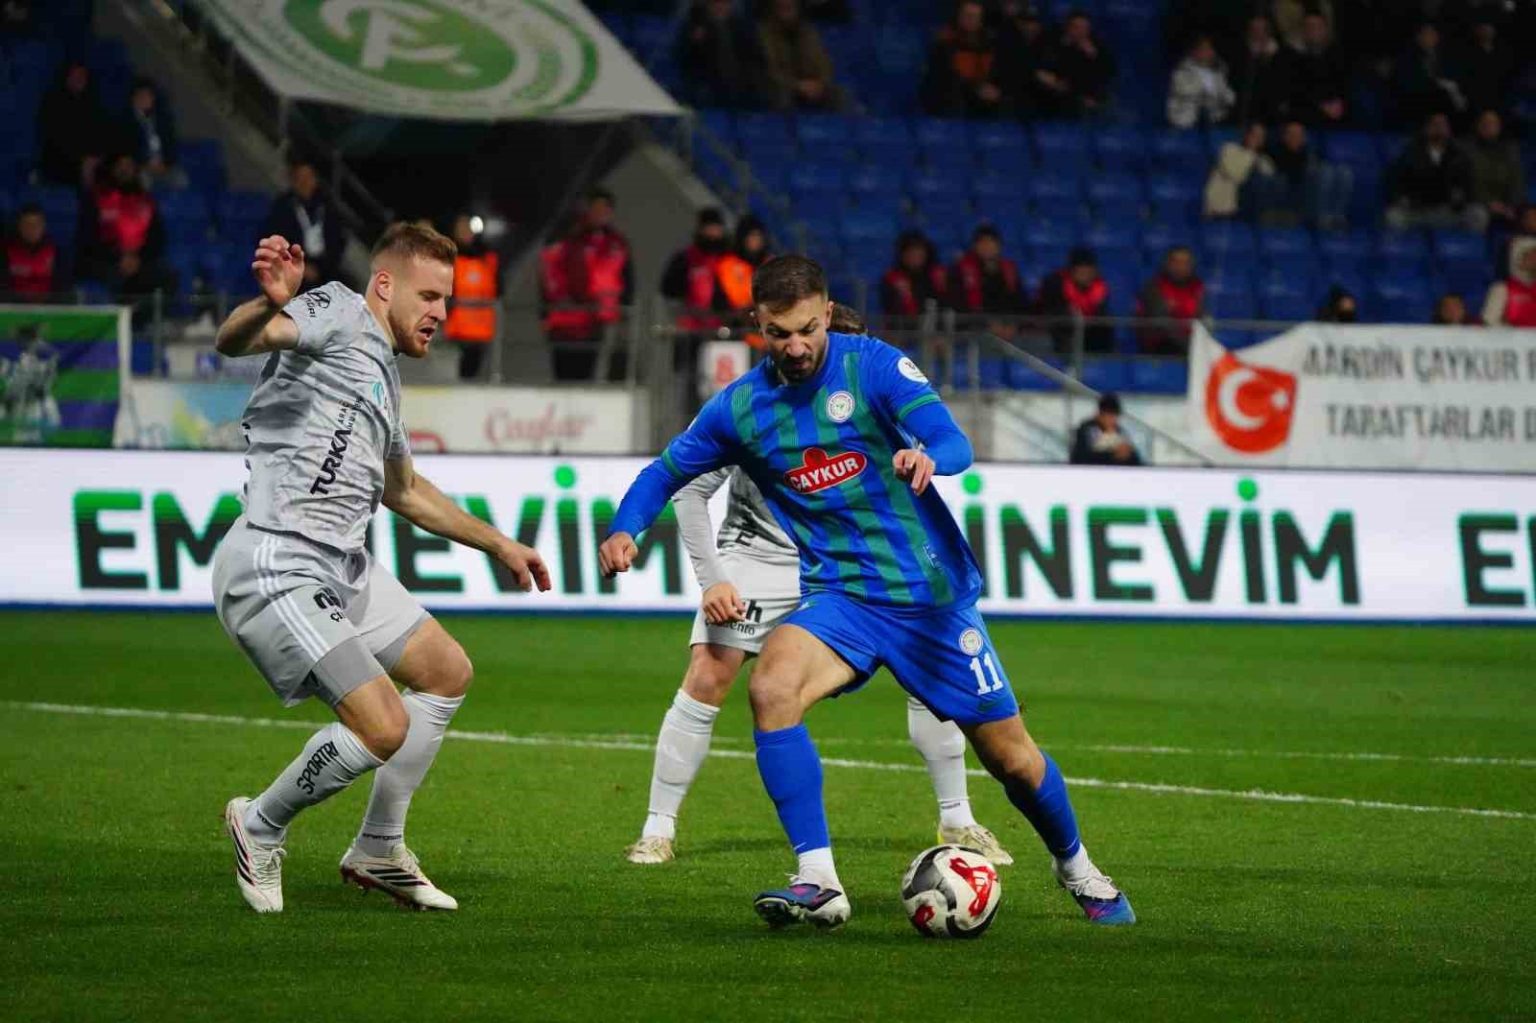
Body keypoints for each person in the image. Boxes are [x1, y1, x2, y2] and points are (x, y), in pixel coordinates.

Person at [599, 255, 1134, 931]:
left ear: (827, 314)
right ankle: (818, 879)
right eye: (778, 333)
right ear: (758, 324)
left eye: (807, 329)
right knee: (771, 687)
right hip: (842, 597)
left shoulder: (873, 365)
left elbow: (951, 437)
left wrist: (929, 455)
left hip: (929, 600)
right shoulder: (740, 407)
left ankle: (1077, 866)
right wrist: (626, 527)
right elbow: (665, 472)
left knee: (1011, 757)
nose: (796, 347)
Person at [211, 223, 550, 914]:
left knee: (446, 671)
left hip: (342, 564)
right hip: (279, 558)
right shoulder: (337, 309)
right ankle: (260, 823)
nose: (440, 312)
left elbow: (406, 491)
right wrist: (269, 301)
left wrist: (499, 544)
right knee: (382, 725)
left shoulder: (385, 378)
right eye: (429, 296)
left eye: (447, 300)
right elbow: (239, 340)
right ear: (385, 284)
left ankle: (378, 846)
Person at [624, 304, 1012, 869]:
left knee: (928, 670)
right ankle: (658, 827)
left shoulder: (873, 395)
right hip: (762, 556)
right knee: (709, 672)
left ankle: (958, 818)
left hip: (855, 564)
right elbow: (686, 487)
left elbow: (934, 453)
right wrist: (713, 580)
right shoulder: (752, 406)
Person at [539, 188, 634, 381]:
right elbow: (548, 279)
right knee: (565, 374)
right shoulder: (569, 241)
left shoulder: (618, 243)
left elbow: (627, 280)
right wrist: (545, 314)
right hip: (568, 320)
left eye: (605, 209)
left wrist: (624, 312)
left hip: (605, 318)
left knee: (596, 374)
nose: (600, 214)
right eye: (596, 209)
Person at [77, 154, 176, 313]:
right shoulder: (96, 199)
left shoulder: (146, 200)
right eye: (121, 166)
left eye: (129, 166)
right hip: (107, 260)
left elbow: (157, 238)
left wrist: (138, 258)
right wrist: (118, 258)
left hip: (140, 261)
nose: (125, 170)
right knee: (108, 276)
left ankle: (144, 322)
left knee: (167, 276)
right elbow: (88, 237)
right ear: (112, 169)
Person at [262, 158, 348, 290]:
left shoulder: (328, 206)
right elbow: (272, 241)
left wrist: (322, 268)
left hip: (324, 269)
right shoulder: (283, 207)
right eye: (300, 178)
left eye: (308, 177)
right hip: (293, 267)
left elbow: (338, 242)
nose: (304, 183)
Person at [1386, 113, 1480, 232]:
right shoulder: (1410, 153)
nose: (1439, 128)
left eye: (1443, 125)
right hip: (1417, 210)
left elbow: (1468, 186)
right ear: (1427, 128)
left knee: (1477, 213)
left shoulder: (1460, 156)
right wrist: (1404, 199)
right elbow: (1396, 182)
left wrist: (1460, 199)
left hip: (1448, 210)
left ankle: (1466, 244)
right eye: (1435, 125)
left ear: (1449, 130)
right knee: (1393, 216)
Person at [757, 0, 845, 112]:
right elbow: (769, 70)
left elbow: (824, 64)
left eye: (790, 7)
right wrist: (797, 85)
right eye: (783, 8)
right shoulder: (764, 34)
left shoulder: (809, 32)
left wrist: (821, 83)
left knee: (840, 94)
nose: (787, 12)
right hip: (785, 87)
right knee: (780, 96)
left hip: (812, 85)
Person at [921, 0, 1004, 118]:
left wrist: (992, 89)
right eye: (967, 15)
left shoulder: (989, 44)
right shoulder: (945, 44)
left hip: (979, 95)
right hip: (951, 96)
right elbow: (944, 77)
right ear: (959, 17)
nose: (970, 20)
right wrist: (975, 88)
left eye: (975, 16)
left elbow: (995, 72)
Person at [677, 0, 766, 109]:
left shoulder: (741, 27)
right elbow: (686, 62)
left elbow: (754, 59)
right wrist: (695, 42)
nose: (720, 6)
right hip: (709, 87)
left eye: (725, 2)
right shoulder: (695, 26)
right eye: (716, 3)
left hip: (740, 87)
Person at [444, 214, 500, 381]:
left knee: (479, 378)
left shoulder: (489, 260)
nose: (466, 233)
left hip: (483, 333)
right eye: (461, 229)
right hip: (456, 333)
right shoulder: (449, 259)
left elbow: (499, 289)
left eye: (468, 228)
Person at [1266, 120, 1352, 229]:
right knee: (1324, 173)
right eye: (1292, 134)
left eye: (1300, 134)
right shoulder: (1276, 152)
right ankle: (1322, 218)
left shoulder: (1308, 152)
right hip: (1295, 193)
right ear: (1285, 137)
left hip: (1311, 190)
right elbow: (1288, 175)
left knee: (1343, 171)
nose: (1296, 138)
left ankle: (1337, 216)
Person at [37, 61, 109, 188]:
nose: (79, 79)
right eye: (76, 76)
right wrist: (84, 159)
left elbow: (100, 132)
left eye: (83, 76)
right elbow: (57, 136)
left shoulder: (92, 103)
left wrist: (96, 156)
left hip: (90, 158)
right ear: (67, 78)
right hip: (62, 158)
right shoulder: (54, 101)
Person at [661, 208, 732, 334]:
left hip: (724, 327)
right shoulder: (686, 258)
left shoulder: (730, 259)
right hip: (691, 327)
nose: (713, 233)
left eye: (716, 228)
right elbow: (669, 288)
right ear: (701, 229)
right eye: (710, 228)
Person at [1039, 10, 1116, 117]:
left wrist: (1094, 56)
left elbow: (1108, 72)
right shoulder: (1053, 42)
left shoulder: (1097, 46)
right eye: (1076, 27)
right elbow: (1045, 66)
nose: (1081, 32)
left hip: (1084, 91)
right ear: (1068, 28)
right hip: (1057, 89)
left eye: (1085, 28)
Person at [1036, 246, 1112, 354]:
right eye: (1082, 271)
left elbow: (1100, 315)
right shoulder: (1055, 283)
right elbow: (1047, 311)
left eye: (1090, 271)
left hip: (1087, 330)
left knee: (1103, 331)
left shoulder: (1100, 287)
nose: (1086, 275)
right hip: (1059, 329)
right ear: (1072, 271)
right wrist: (1070, 313)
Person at [950, 225, 1027, 332]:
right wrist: (986, 324)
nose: (987, 246)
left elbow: (1020, 302)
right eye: (982, 242)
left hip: (1008, 327)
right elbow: (959, 305)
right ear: (974, 246)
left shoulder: (1010, 269)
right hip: (975, 328)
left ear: (999, 246)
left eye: (991, 242)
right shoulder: (961, 270)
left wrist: (1013, 324)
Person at [1280, 12, 1347, 125]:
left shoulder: (1338, 56)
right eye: (1310, 27)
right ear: (1303, 31)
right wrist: (1320, 105)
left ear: (1326, 30)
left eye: (1318, 27)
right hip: (1303, 115)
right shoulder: (1290, 57)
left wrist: (1338, 103)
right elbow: (1293, 91)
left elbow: (1343, 86)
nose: (1314, 31)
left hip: (1336, 114)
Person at [1392, 22, 1464, 128]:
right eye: (1426, 34)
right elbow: (1408, 85)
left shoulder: (1446, 59)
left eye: (1433, 34)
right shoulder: (1408, 60)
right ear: (1418, 37)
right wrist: (1437, 84)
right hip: (1418, 107)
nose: (1431, 37)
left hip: (1445, 109)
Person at [1136, 246, 1206, 355]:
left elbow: (1202, 318)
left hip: (1193, 346)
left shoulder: (1199, 287)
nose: (1181, 267)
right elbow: (1160, 322)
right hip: (1161, 346)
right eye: (1176, 262)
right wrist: (1188, 346)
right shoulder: (1154, 287)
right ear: (1167, 264)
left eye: (1185, 263)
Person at [1467, 110, 1527, 233]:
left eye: (1494, 123)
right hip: (1479, 203)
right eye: (1486, 123)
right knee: (1478, 214)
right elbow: (1470, 183)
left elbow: (1516, 181)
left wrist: (1510, 205)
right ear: (1478, 126)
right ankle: (1477, 243)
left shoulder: (1509, 150)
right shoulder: (1468, 151)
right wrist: (1489, 203)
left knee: (1529, 215)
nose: (1490, 127)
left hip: (1506, 204)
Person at [1205, 123, 1277, 220]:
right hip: (1222, 207)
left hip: (1248, 206)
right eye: (1254, 135)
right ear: (1247, 135)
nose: (1257, 139)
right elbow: (1235, 174)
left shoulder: (1262, 159)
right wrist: (1252, 155)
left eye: (1261, 136)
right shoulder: (1229, 149)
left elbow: (1270, 174)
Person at [123, 77, 182, 190]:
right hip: (141, 167)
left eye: (148, 96)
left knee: (181, 180)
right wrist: (145, 165)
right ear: (134, 98)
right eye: (141, 96)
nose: (145, 99)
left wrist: (166, 163)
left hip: (163, 165)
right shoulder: (127, 122)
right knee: (144, 182)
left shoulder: (162, 119)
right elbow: (128, 150)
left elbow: (171, 144)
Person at [1230, 15, 1289, 126]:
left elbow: (1285, 81)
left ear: (1269, 31)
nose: (1258, 33)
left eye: (1262, 29)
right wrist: (1255, 57)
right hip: (1249, 109)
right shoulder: (1241, 54)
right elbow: (1238, 81)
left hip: (1276, 109)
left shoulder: (1282, 53)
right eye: (1254, 29)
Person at [1167, 35, 1235, 129]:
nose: (1208, 52)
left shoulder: (1218, 73)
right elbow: (1186, 91)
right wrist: (1207, 94)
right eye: (1204, 49)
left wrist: (1224, 97)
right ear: (1194, 51)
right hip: (1185, 124)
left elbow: (1229, 97)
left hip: (1213, 123)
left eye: (1210, 49)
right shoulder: (1182, 71)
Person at [881, 231, 949, 325]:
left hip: (937, 327)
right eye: (910, 252)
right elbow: (891, 311)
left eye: (918, 251)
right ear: (902, 255)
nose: (915, 255)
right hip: (904, 328)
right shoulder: (892, 279)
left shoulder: (937, 275)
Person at [2, 204, 66, 302]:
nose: (31, 230)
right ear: (19, 226)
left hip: (48, 307)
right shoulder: (6, 252)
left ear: (43, 226)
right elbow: (3, 288)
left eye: (36, 225)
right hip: (14, 306)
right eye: (27, 225)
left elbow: (63, 288)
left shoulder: (56, 252)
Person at [1070, 393, 1141, 466]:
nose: (1112, 419)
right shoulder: (1086, 429)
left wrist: (1128, 454)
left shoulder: (1120, 431)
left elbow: (1135, 459)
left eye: (1114, 416)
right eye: (1109, 415)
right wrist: (1113, 454)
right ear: (1100, 414)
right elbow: (1082, 456)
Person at [1480, 237, 1536, 328]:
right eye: (1531, 257)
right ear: (1518, 260)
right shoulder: (1502, 289)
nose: (1534, 261)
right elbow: (1489, 322)